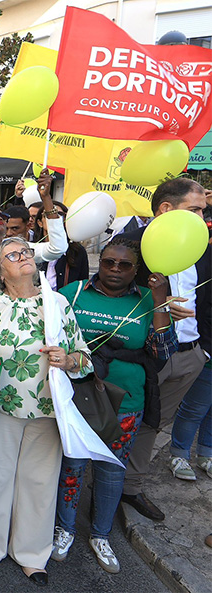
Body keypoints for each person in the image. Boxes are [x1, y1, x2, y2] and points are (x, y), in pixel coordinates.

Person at [0, 236, 92, 586]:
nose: (22, 257)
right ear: (0, 272)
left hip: (50, 408)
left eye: (24, 252)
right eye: (12, 255)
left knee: (40, 482)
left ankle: (33, 554)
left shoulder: (57, 304)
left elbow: (84, 358)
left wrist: (67, 360)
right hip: (1, 404)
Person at [52, 237, 177, 574]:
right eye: (109, 262)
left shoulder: (148, 300)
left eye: (124, 265)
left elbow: (164, 351)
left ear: (136, 270)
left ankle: (100, 535)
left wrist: (162, 300)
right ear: (100, 262)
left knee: (111, 470)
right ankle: (65, 529)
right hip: (78, 398)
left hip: (126, 402)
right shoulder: (73, 294)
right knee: (73, 465)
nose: (115, 270)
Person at [117, 177, 209, 521]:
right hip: (146, 355)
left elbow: (207, 302)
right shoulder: (128, 245)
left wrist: (204, 351)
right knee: (128, 420)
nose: (201, 218)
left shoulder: (202, 245)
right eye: (194, 210)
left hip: (191, 355)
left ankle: (131, 488)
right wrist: (158, 305)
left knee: (154, 425)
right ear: (166, 209)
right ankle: (103, 486)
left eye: (204, 210)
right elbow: (113, 299)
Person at [34, 202, 90, 290]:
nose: (55, 218)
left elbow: (82, 285)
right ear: (40, 223)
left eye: (60, 214)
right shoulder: (32, 249)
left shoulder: (77, 251)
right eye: (48, 214)